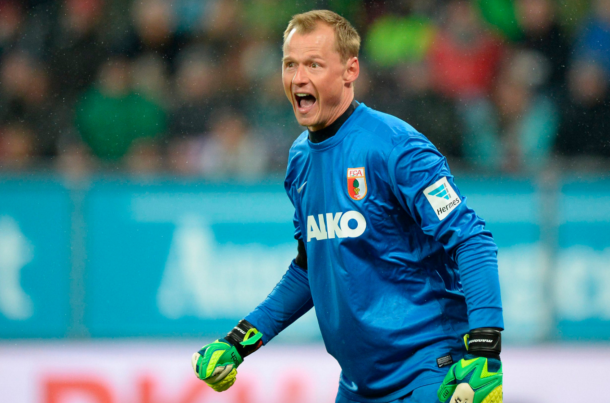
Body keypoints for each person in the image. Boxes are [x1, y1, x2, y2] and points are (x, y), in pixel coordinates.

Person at [191, 10, 504, 403]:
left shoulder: (395, 146)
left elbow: (472, 240)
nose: (298, 78)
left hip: (429, 373)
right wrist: (240, 341)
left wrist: (486, 350)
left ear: (350, 70)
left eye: (314, 64)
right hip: (359, 384)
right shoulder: (300, 159)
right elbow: (310, 268)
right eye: (290, 64)